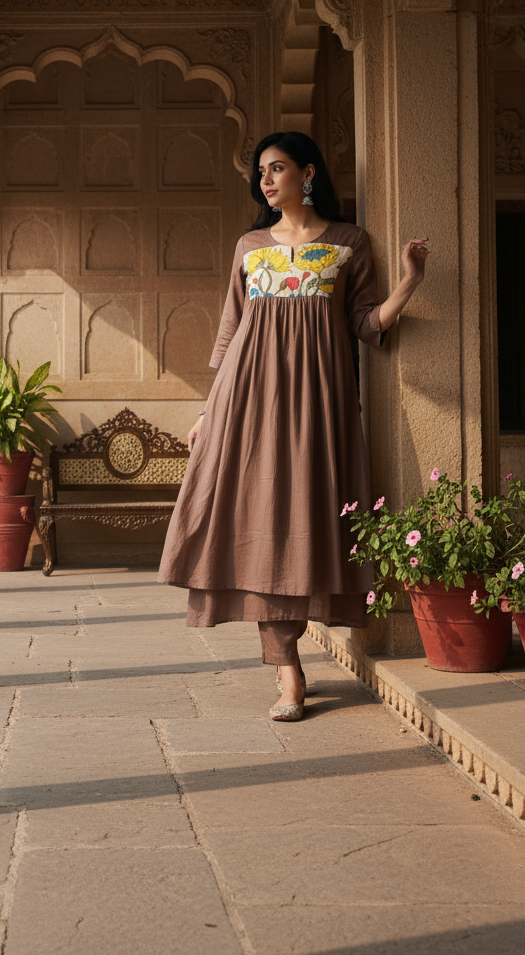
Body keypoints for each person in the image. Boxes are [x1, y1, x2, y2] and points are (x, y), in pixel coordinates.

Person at [157, 131, 429, 720]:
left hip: (319, 407)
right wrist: (208, 411)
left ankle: (294, 658)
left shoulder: (349, 244)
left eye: (276, 169)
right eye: (260, 173)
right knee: (253, 520)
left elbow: (365, 323)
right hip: (246, 403)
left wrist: (408, 282)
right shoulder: (250, 247)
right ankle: (288, 675)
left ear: (308, 174)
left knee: (304, 521)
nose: (266, 180)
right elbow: (231, 332)